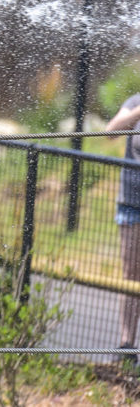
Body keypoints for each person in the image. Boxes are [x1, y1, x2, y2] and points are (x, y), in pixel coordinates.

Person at [106, 94, 140, 362]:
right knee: (131, 273)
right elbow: (110, 132)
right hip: (132, 201)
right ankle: (127, 343)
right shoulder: (135, 101)